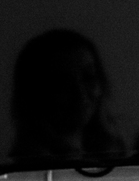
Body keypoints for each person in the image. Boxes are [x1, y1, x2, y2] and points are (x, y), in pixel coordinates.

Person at [9, 28, 128, 161]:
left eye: (89, 77)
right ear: (35, 92)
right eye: (62, 82)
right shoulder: (30, 165)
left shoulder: (112, 150)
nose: (80, 94)